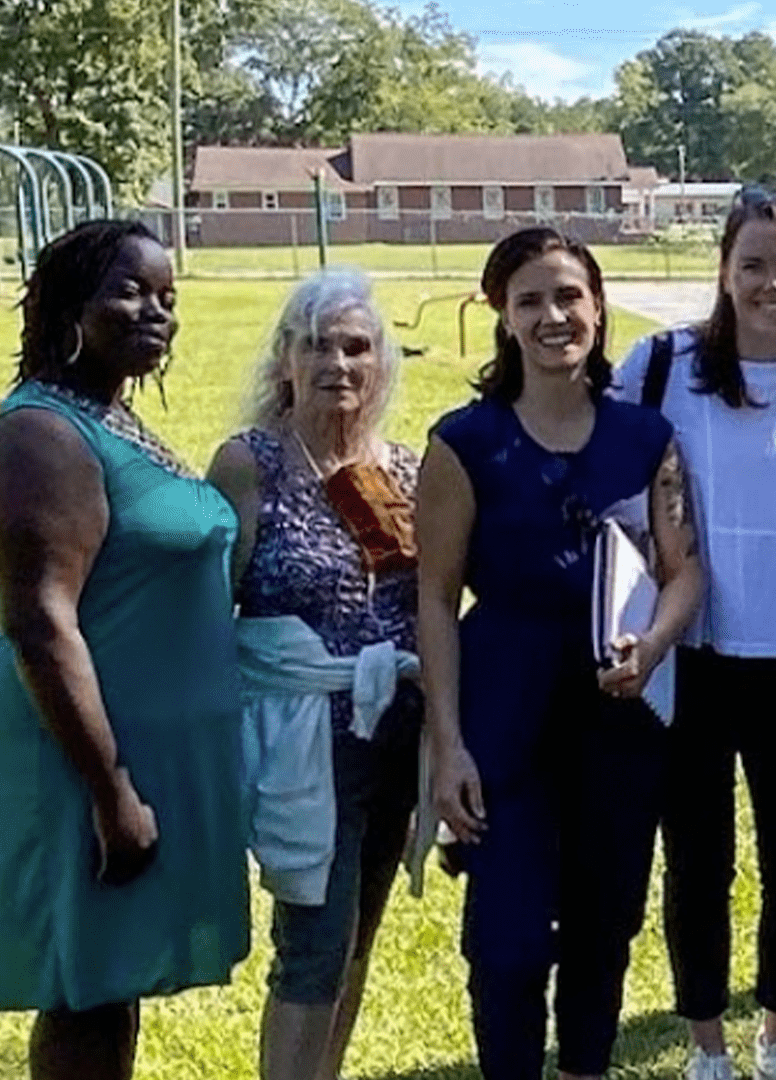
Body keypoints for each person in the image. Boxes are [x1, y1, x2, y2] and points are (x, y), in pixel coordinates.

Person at [418, 227, 703, 1080]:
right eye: (531, 300)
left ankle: (584, 1067)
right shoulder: (464, 442)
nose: (554, 316)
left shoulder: (646, 437)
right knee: (506, 939)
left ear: (599, 307)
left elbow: (685, 571)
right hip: (503, 705)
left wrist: (653, 644)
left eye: (569, 296)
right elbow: (433, 598)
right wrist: (449, 745)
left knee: (603, 921)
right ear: (502, 317)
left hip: (616, 711)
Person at [614, 190, 776, 1080]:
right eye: (753, 264)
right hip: (695, 654)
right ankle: (707, 1045)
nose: (772, 284)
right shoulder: (662, 364)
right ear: (723, 270)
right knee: (699, 861)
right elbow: (613, 485)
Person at [0, 220, 250, 1080]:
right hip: (89, 762)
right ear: (70, 305)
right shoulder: (42, 434)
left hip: (152, 754)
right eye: (131, 291)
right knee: (88, 992)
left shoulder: (110, 417)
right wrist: (111, 792)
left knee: (114, 985)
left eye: (169, 298)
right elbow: (40, 620)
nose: (157, 313)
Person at [206, 268, 422, 1080]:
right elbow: (208, 613)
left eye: (356, 346)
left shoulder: (400, 469)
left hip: (392, 741)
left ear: (381, 363)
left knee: (357, 939)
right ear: (284, 361)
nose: (338, 362)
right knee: (312, 950)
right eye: (317, 345)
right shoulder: (249, 464)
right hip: (303, 744)